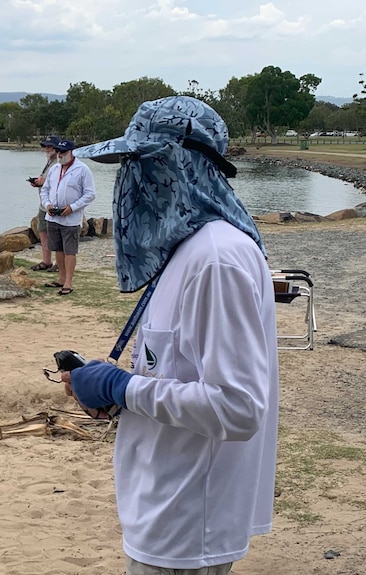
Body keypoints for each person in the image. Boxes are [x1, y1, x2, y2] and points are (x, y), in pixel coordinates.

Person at [66, 96, 279, 574]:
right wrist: (120, 393)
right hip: (163, 510)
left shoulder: (217, 260)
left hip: (187, 525)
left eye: (142, 164)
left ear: (179, 167)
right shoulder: (188, 250)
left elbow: (238, 407)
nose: (130, 180)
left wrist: (123, 387)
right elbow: (178, 371)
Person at [38, 138, 96, 295]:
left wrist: (72, 207)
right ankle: (61, 278)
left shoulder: (82, 169)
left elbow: (90, 194)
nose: (59, 155)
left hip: (71, 218)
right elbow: (45, 189)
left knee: (70, 250)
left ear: (71, 152)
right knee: (58, 248)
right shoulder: (54, 169)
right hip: (53, 216)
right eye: (58, 151)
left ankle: (69, 282)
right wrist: (48, 204)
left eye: (63, 152)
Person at [29, 135, 60, 272]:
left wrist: (44, 181)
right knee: (43, 230)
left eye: (49, 146)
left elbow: (60, 181)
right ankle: (46, 261)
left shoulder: (59, 162)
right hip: (43, 204)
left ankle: (59, 263)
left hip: (54, 205)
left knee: (57, 233)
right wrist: (38, 182)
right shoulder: (49, 161)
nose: (46, 149)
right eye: (45, 146)